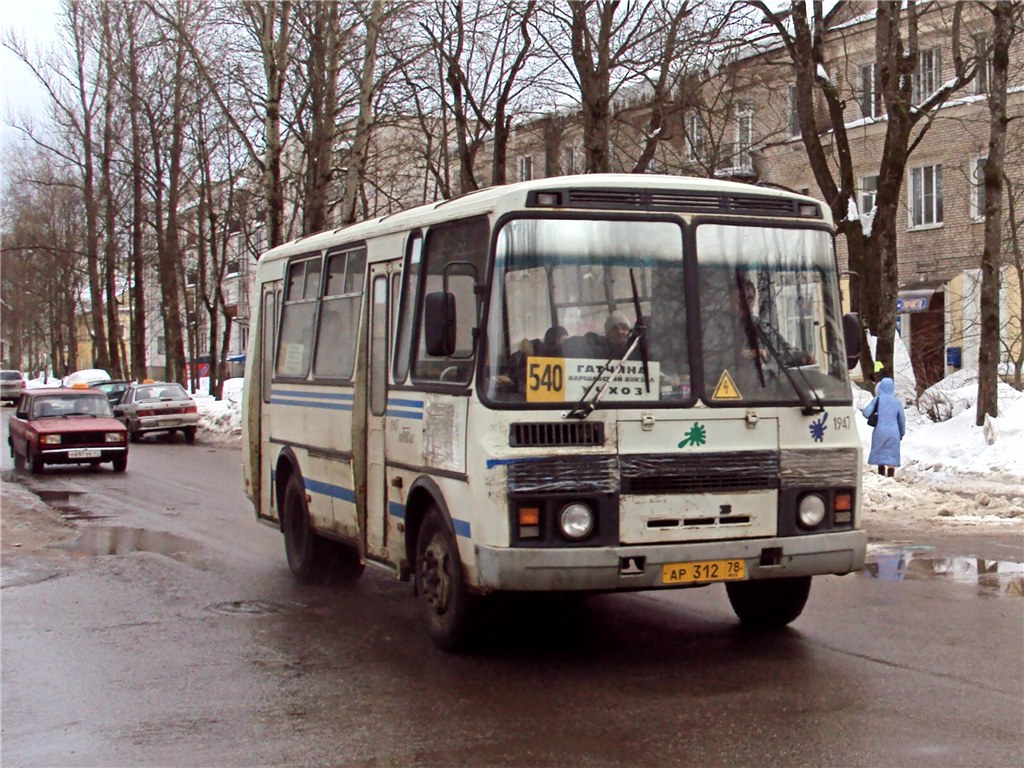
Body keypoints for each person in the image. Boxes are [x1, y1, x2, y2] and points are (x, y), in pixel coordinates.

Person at [862, 376, 906, 477]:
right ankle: (890, 474)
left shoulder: (877, 400)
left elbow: (866, 413)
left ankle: (881, 474)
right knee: (891, 453)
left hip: (880, 431)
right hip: (893, 432)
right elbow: (901, 420)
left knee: (880, 451)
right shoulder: (897, 402)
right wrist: (901, 433)